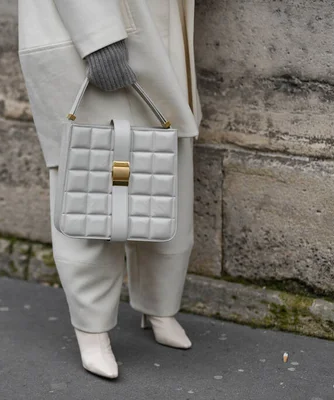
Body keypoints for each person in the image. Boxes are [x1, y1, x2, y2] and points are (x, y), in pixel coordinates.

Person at [18, 0, 202, 379]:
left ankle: (160, 307)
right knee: (91, 187)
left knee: (165, 171)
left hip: (153, 24)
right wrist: (97, 37)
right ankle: (92, 326)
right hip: (98, 28)